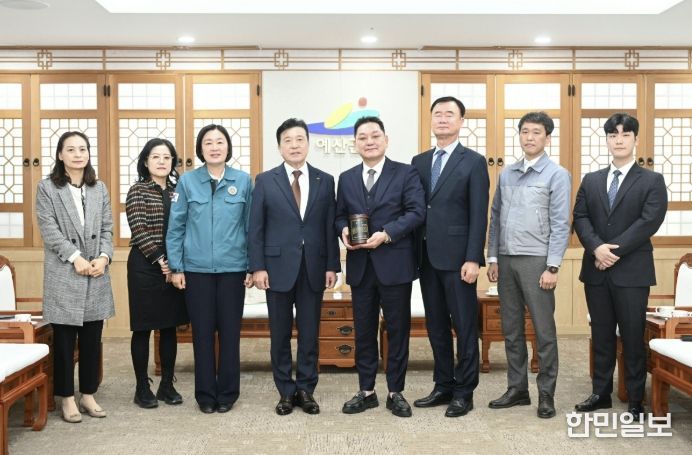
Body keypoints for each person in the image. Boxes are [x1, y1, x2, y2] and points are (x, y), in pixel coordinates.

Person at [573, 113, 667, 421]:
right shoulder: (591, 180)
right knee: (601, 336)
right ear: (607, 140)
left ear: (636, 139)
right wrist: (596, 248)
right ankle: (600, 393)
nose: (619, 140)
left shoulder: (652, 180)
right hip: (596, 270)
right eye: (613, 135)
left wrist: (612, 251)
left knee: (632, 336)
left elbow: (649, 221)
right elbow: (580, 217)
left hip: (632, 271)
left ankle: (636, 399)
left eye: (625, 134)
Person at [248, 118, 340, 416]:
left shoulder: (325, 180)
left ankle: (306, 390)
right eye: (288, 140)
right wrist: (257, 267)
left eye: (300, 139)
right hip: (275, 269)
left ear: (308, 144)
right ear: (279, 147)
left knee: (310, 334)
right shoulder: (265, 180)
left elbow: (329, 226)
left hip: (314, 267)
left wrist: (332, 265)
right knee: (280, 335)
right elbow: (256, 227)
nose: (295, 145)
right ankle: (286, 391)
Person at [336, 116, 425, 418]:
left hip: (395, 264)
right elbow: (339, 215)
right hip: (360, 267)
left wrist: (386, 234)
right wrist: (342, 230)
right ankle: (366, 391)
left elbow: (416, 212)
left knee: (397, 330)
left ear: (386, 140)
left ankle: (395, 391)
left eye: (375, 136)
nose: (369, 141)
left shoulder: (406, 173)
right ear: (355, 144)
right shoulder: (346, 178)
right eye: (362, 137)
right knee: (363, 331)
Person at [486, 112, 571, 419]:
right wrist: (493, 256)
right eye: (525, 131)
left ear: (547, 137)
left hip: (538, 261)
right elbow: (495, 217)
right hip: (506, 260)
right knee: (511, 329)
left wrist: (553, 266)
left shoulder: (557, 174)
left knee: (543, 331)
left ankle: (546, 394)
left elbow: (561, 224)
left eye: (536, 132)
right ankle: (517, 389)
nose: (530, 137)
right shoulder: (507, 173)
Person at [411, 96, 489, 418]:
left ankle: (464, 391)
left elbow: (478, 214)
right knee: (436, 326)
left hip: (459, 261)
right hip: (427, 257)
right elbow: (417, 208)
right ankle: (443, 384)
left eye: (449, 114)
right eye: (437, 114)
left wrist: (473, 258)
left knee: (465, 326)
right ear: (431, 120)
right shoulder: (419, 161)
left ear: (461, 121)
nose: (442, 119)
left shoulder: (473, 161)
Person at [166, 124, 253, 414]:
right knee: (202, 335)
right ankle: (205, 395)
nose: (214, 147)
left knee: (230, 334)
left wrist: (252, 265)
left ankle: (227, 393)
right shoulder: (187, 182)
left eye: (220, 142)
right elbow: (176, 227)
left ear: (228, 147)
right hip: (196, 271)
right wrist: (176, 267)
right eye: (208, 142)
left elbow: (251, 227)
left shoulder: (243, 181)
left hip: (233, 269)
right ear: (200, 149)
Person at [35, 131, 114, 423]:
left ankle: (88, 394)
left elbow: (107, 228)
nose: (78, 154)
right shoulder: (47, 188)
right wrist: (75, 257)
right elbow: (49, 229)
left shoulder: (98, 188)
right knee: (65, 341)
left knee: (92, 338)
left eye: (83, 149)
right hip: (65, 272)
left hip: (95, 271)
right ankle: (66, 397)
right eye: (71, 149)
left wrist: (104, 257)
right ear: (60, 155)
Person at [126, 138, 189, 409]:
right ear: (146, 161)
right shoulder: (138, 190)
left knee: (169, 326)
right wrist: (162, 261)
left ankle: (166, 385)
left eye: (167, 157)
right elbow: (138, 229)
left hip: (174, 266)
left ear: (173, 162)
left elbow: (185, 227)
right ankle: (142, 386)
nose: (162, 161)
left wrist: (175, 263)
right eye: (155, 156)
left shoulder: (178, 191)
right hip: (144, 266)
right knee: (143, 328)